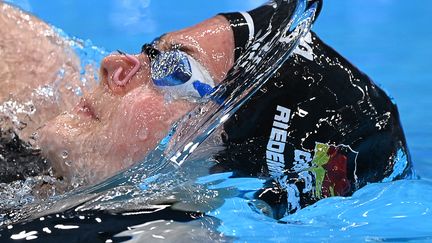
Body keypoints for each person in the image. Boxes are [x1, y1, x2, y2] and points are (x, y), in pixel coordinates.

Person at [0, 0, 413, 218]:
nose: (112, 64)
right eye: (151, 52)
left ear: (222, 165)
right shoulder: (29, 76)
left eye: (172, 69)